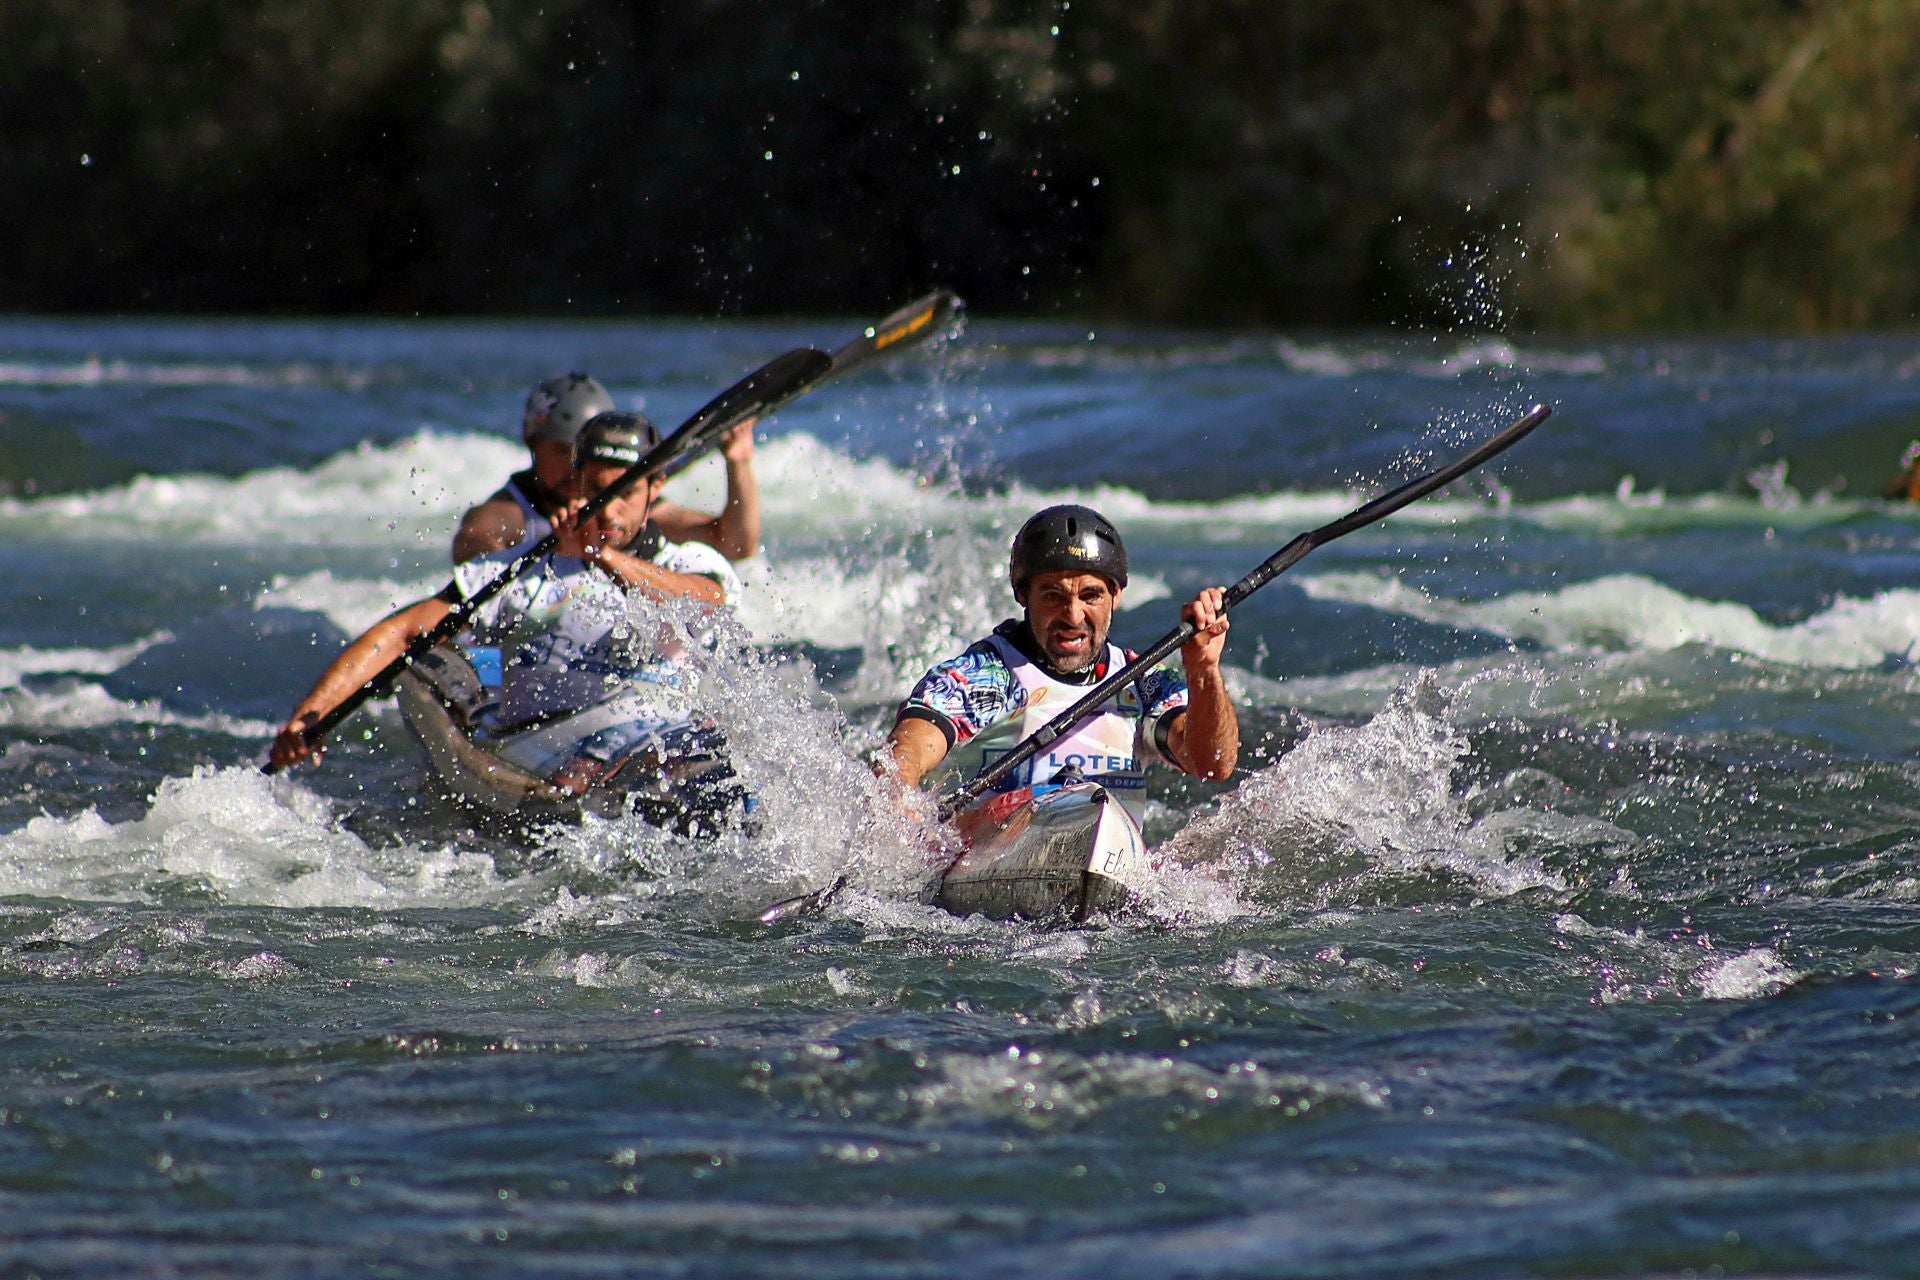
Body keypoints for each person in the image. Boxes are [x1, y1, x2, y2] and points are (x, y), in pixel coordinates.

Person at [273, 412, 745, 808]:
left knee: (718, 756)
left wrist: (601, 556)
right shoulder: (520, 573)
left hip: (663, 739)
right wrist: (312, 713)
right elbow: (400, 634)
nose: (610, 513)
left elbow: (701, 602)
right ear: (574, 484)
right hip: (554, 751)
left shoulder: (689, 562)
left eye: (624, 494)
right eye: (598, 492)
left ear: (655, 487)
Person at [881, 504, 1238, 817]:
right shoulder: (991, 674)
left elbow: (1213, 764)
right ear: (1023, 595)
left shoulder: (1143, 684)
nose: (1073, 615)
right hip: (996, 856)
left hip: (1107, 862)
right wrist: (898, 803)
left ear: (1115, 596)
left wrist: (1204, 669)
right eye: (1053, 595)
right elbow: (909, 748)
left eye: (1091, 595)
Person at [451, 372, 761, 563]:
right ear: (532, 442)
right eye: (562, 450)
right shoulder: (511, 510)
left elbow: (736, 544)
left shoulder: (633, 510)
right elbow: (473, 542)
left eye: (584, 455)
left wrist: (738, 462)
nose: (575, 467)